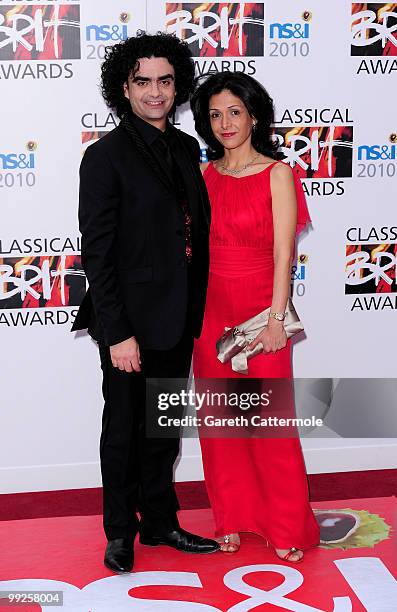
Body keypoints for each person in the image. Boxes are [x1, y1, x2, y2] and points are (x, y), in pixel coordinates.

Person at [72, 32, 219, 573]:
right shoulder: (105, 156)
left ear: (176, 85)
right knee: (124, 430)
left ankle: (159, 521)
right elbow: (99, 252)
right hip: (130, 322)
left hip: (179, 315)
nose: (155, 92)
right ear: (124, 88)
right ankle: (119, 533)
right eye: (143, 81)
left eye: (165, 80)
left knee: (162, 426)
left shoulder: (184, 147)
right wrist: (117, 332)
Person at [191, 72, 320, 562]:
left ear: (255, 116)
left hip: (260, 308)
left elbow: (284, 251)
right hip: (210, 313)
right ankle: (231, 519)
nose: (225, 122)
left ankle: (286, 524)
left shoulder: (278, 173)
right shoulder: (205, 176)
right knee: (220, 424)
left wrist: (274, 317)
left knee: (270, 423)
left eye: (235, 112)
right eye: (215, 114)